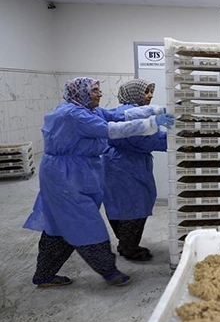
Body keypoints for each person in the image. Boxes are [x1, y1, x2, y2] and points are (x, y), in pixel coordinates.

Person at [23, 77, 174, 288]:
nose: (100, 94)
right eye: (95, 90)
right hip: (64, 176)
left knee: (59, 225)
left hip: (76, 172)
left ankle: (44, 275)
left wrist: (157, 110)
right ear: (81, 93)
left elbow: (119, 115)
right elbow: (111, 130)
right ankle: (109, 271)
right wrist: (152, 123)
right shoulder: (73, 115)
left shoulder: (87, 110)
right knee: (87, 223)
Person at [102, 79, 167, 261]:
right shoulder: (131, 114)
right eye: (146, 91)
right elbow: (144, 140)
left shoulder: (124, 111)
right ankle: (129, 247)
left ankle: (125, 243)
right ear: (134, 93)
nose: (150, 95)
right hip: (127, 166)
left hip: (117, 162)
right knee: (135, 206)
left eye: (150, 91)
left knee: (119, 205)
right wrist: (177, 140)